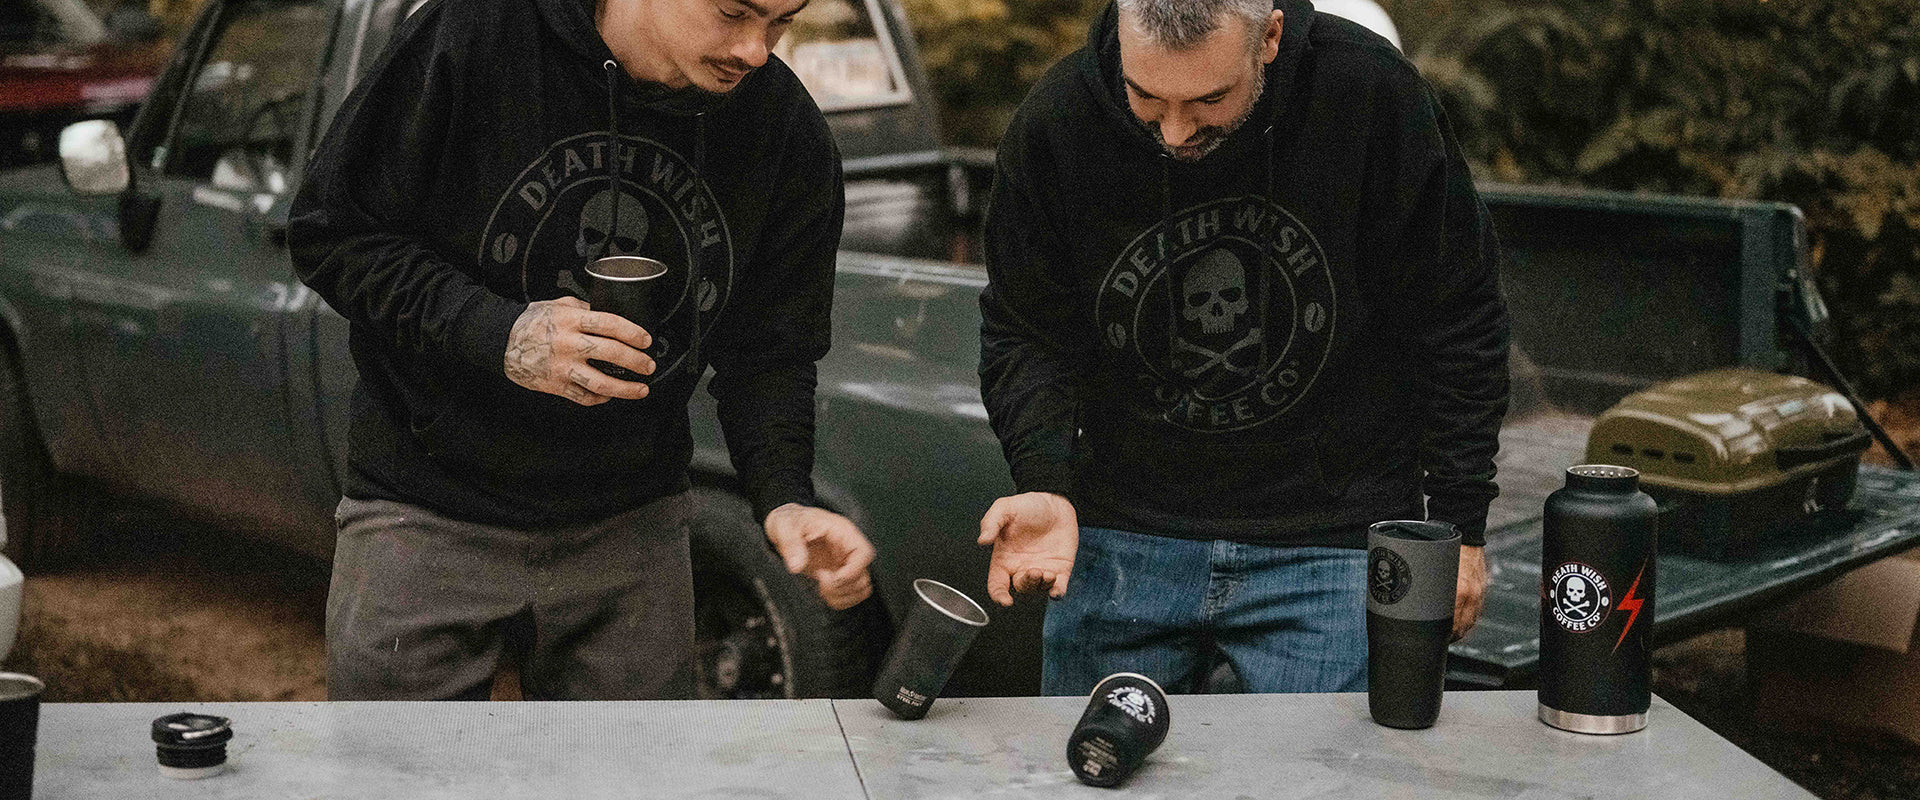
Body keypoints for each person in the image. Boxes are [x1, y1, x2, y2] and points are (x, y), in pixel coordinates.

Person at [289, 0, 874, 700]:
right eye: (733, 12)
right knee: (402, 777)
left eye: (782, 21)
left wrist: (783, 496)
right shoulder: (477, 30)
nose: (756, 50)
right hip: (426, 510)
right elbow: (336, 233)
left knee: (628, 779)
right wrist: (500, 334)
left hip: (634, 525)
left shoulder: (784, 127)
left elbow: (772, 351)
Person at [975, 0, 1509, 696]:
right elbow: (1024, 331)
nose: (1173, 131)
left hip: (1331, 542)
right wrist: (1045, 479)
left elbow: (1458, 315)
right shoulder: (1057, 121)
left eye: (1207, 99)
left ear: (1271, 37)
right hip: (1122, 538)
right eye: (1145, 97)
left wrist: (1461, 527)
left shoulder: (1372, 96)